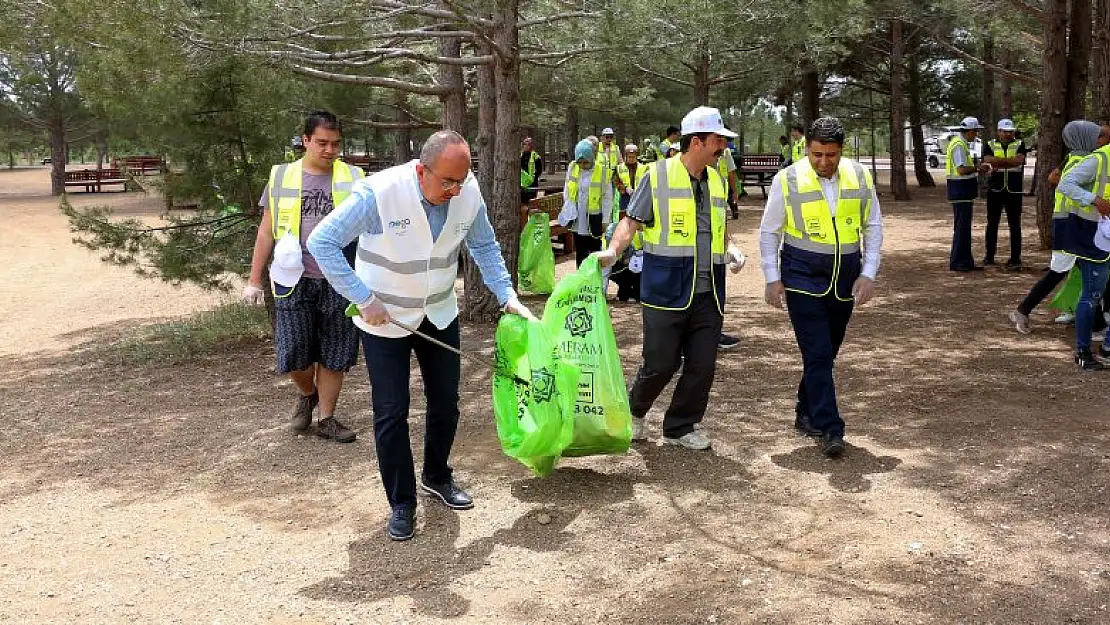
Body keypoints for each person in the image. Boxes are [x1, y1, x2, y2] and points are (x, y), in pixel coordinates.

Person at [306, 130, 535, 541]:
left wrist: (506, 295)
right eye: (447, 180)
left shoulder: (467, 193)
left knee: (446, 402)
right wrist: (363, 296)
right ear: (420, 169)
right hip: (384, 318)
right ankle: (402, 502)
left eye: (461, 180)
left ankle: (437, 476)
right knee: (392, 411)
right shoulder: (379, 193)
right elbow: (321, 242)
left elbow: (483, 246)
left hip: (439, 312)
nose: (455, 189)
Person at [598, 106, 746, 450]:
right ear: (696, 142)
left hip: (709, 292)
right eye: (718, 141)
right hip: (666, 289)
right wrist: (614, 250)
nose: (723, 148)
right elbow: (630, 221)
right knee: (661, 362)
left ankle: (680, 426)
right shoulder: (657, 176)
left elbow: (718, 229)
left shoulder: (718, 181)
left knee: (703, 364)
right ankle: (634, 412)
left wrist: (733, 249)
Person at [759, 117, 884, 457]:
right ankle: (830, 426)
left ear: (841, 151)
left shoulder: (860, 176)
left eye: (831, 155)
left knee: (826, 352)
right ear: (807, 148)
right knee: (817, 352)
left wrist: (869, 272)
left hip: (845, 277)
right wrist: (772, 278)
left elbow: (872, 226)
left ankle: (805, 410)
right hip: (800, 275)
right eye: (817, 154)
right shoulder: (787, 179)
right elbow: (770, 231)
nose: (823, 162)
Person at [243, 111, 365, 444]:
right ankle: (307, 393)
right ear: (306, 140)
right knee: (293, 352)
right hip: (292, 276)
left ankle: (327, 417)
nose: (329, 150)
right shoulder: (282, 178)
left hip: (340, 277)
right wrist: (254, 279)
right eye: (322, 143)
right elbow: (267, 230)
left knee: (335, 351)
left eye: (336, 144)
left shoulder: (355, 177)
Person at [1009, 121, 1110, 335]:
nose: (1099, 139)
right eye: (1096, 136)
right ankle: (1023, 310)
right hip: (1072, 226)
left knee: (1089, 273)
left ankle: (1097, 323)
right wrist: (1093, 200)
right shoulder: (1086, 160)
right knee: (1065, 272)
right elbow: (1063, 184)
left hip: (1073, 225)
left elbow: (1055, 179)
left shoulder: (1073, 157)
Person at [1054, 124, 1110, 370]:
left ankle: (1107, 348)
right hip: (1092, 237)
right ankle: (1083, 352)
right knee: (1092, 295)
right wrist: (1095, 200)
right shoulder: (1098, 159)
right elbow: (1065, 184)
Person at [558, 139, 615, 266]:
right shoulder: (573, 167)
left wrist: (605, 220)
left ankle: (594, 279)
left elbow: (607, 198)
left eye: (586, 162)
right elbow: (567, 188)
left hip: (594, 218)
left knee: (595, 251)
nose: (583, 165)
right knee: (580, 250)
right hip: (577, 216)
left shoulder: (603, 171)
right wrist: (568, 205)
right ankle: (581, 279)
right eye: (580, 162)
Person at [982, 118, 1029, 269]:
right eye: (1006, 131)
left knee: (1015, 225)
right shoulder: (990, 144)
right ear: (999, 131)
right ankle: (989, 256)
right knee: (992, 223)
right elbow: (988, 159)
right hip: (995, 189)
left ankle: (1015, 258)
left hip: (1014, 189)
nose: (1009, 134)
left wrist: (999, 162)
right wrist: (1009, 161)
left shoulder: (1020, 144)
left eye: (1011, 131)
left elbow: (1019, 161)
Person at [946, 116, 991, 272]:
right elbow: (961, 169)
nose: (976, 135)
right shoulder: (959, 145)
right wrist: (979, 168)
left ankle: (966, 261)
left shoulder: (960, 144)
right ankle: (958, 261)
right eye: (976, 131)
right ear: (970, 131)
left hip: (962, 192)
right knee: (961, 228)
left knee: (964, 228)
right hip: (960, 191)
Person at [616, 144, 647, 213]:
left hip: (639, 196)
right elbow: (617, 182)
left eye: (633, 157)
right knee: (624, 218)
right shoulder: (619, 168)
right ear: (626, 156)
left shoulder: (643, 168)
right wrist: (625, 189)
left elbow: (646, 183)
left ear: (636, 156)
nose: (631, 159)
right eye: (629, 157)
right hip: (625, 197)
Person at [520, 136, 543, 205]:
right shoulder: (520, 155)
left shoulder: (536, 156)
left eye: (528, 144)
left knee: (532, 202)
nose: (526, 146)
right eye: (525, 144)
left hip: (532, 183)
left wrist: (534, 177)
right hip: (522, 183)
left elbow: (539, 170)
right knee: (522, 202)